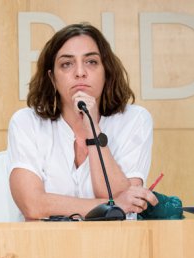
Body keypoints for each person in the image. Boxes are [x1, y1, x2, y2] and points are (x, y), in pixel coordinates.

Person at [8, 23, 158, 220]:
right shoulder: (26, 122)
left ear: (106, 72)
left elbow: (124, 206)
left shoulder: (134, 120)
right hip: (44, 245)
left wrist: (93, 129)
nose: (80, 72)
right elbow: (33, 205)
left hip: (115, 245)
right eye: (66, 64)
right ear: (52, 78)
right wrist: (112, 206)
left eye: (91, 62)